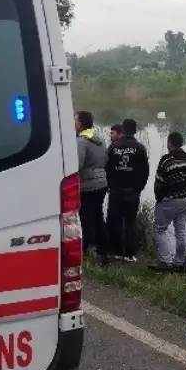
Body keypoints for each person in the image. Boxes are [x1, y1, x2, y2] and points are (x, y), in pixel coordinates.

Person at [151, 131, 186, 272]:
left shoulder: (166, 160)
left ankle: (165, 261)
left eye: (168, 142)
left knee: (159, 229)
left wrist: (159, 199)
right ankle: (179, 262)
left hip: (168, 201)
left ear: (170, 143)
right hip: (185, 200)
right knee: (181, 231)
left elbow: (159, 183)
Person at [106, 118, 150, 262]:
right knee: (130, 223)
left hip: (116, 191)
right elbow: (145, 171)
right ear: (135, 131)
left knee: (115, 222)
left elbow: (106, 168)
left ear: (123, 130)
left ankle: (116, 252)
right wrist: (139, 187)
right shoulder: (140, 148)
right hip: (133, 191)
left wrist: (110, 186)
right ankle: (129, 255)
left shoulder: (112, 148)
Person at [74, 110, 108, 260]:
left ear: (80, 124)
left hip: (87, 185)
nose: (74, 124)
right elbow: (104, 161)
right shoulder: (99, 139)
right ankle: (103, 249)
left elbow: (77, 164)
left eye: (75, 121)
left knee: (86, 217)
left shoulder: (81, 141)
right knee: (98, 215)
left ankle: (90, 250)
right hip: (102, 183)